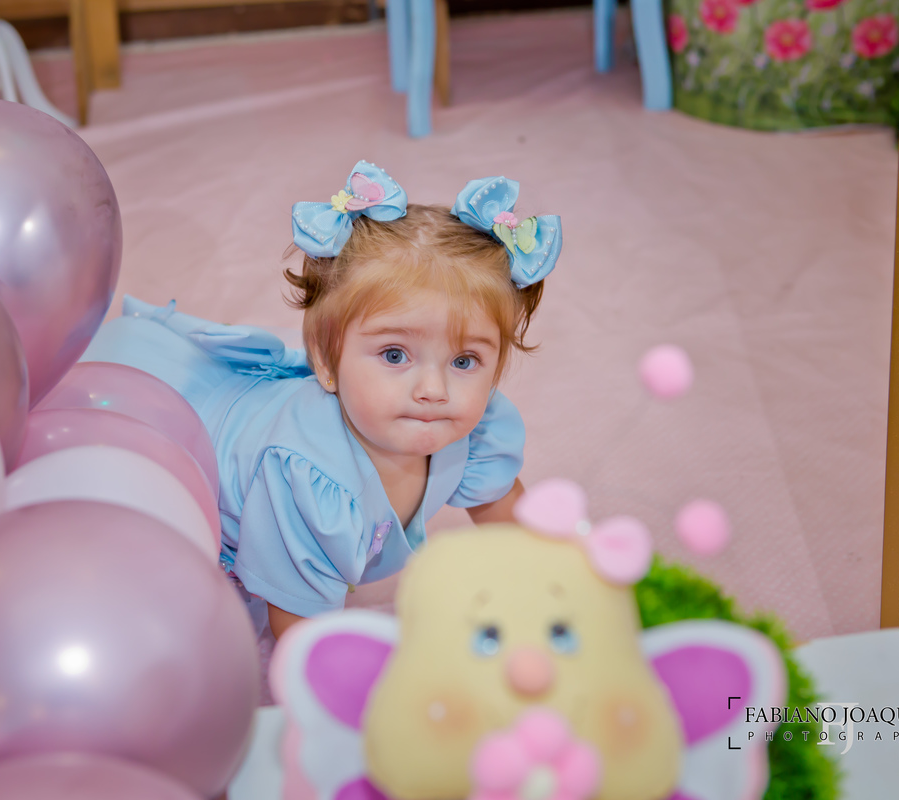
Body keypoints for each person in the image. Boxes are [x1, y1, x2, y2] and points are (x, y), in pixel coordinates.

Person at [81, 161, 562, 639]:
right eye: (395, 355)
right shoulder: (306, 476)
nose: (434, 390)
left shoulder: (477, 425)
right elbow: (300, 634)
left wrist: (558, 591)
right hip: (142, 414)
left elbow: (510, 524)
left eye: (464, 360)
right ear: (326, 364)